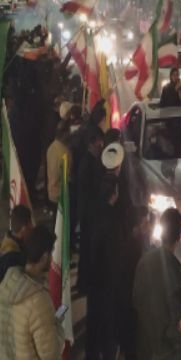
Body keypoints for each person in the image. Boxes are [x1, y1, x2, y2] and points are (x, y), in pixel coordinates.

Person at [87, 142, 138, 359]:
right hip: (110, 279)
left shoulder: (97, 207)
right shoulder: (111, 222)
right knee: (109, 323)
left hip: (98, 278)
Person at [0, 225, 64, 360]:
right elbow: (51, 354)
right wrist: (57, 323)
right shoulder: (39, 301)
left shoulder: (5, 286)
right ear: (44, 257)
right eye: (52, 253)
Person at [133, 208, 181, 360]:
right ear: (179, 237)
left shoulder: (143, 262)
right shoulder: (178, 277)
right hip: (167, 351)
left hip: (145, 347)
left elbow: (136, 301)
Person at [76, 126, 106, 295]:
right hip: (89, 214)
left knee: (87, 250)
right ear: (92, 143)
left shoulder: (90, 161)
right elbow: (90, 190)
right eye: (99, 143)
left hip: (89, 213)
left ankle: (84, 283)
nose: (101, 146)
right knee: (88, 250)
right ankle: (85, 284)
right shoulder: (88, 163)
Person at [0, 204, 33, 284]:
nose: (32, 227)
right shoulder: (12, 256)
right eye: (30, 223)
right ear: (24, 228)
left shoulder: (8, 241)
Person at [46, 120, 72, 215]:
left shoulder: (51, 147)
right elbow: (66, 175)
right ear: (65, 134)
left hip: (51, 191)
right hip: (61, 194)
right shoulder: (64, 152)